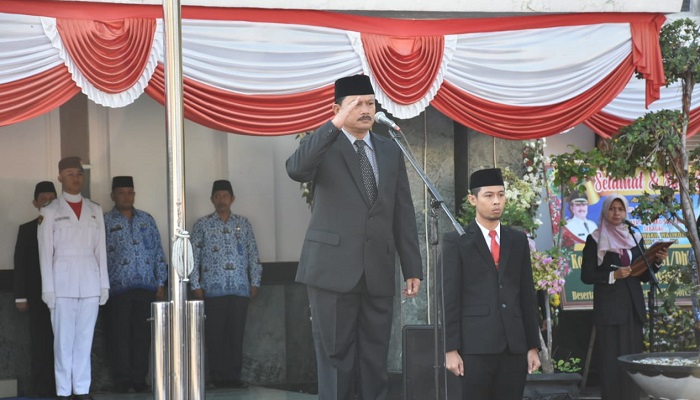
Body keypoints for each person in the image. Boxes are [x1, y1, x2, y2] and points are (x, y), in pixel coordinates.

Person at [286, 74, 423, 400]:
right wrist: (334, 124)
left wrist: (412, 266)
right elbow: (296, 169)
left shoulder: (390, 150)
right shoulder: (324, 146)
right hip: (331, 271)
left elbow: (401, 210)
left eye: (370, 103)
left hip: (377, 270)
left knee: (375, 360)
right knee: (335, 360)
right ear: (337, 108)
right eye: (357, 104)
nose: (365, 109)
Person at [443, 168, 541, 400]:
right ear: (473, 199)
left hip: (514, 346)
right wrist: (450, 349)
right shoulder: (457, 241)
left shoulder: (517, 240)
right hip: (475, 347)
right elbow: (449, 297)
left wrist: (532, 345)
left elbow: (527, 294)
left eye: (501, 194)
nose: (496, 201)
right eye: (489, 195)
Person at [580, 194, 667, 400]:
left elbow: (644, 276)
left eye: (620, 209)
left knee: (633, 362)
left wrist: (656, 262)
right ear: (605, 211)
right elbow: (586, 275)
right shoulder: (595, 238)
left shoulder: (634, 237)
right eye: (612, 209)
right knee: (611, 362)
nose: (616, 213)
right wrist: (612, 275)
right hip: (609, 310)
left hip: (632, 308)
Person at [38, 156, 110, 400]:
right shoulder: (49, 212)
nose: (75, 178)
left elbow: (101, 249)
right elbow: (46, 253)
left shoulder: (95, 210)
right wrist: (48, 289)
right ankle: (63, 391)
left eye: (78, 173)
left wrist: (103, 284)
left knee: (84, 341)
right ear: (59, 177)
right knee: (63, 343)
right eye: (69, 174)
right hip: (62, 284)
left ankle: (81, 390)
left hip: (89, 282)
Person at [189, 180, 263, 389]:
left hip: (240, 288)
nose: (221, 200)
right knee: (215, 335)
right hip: (212, 290)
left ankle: (233, 377)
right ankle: (216, 377)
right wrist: (195, 283)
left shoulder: (244, 223)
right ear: (212, 199)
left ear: (232, 199)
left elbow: (253, 254)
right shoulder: (202, 225)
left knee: (236, 335)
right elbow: (193, 256)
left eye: (225, 196)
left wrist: (254, 281)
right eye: (218, 196)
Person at [104, 176, 168, 393]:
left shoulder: (146, 220)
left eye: (130, 192)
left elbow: (158, 251)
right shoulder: (104, 221)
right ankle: (122, 380)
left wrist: (161, 282)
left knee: (142, 337)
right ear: (112, 196)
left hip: (146, 288)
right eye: (121, 192)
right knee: (119, 336)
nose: (126, 196)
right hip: (118, 289)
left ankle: (139, 379)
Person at [14, 181, 58, 397]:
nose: (49, 203)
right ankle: (42, 388)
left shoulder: (66, 228)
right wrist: (20, 297)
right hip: (37, 296)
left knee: (63, 343)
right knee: (41, 343)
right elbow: (20, 263)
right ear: (35, 203)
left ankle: (64, 387)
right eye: (44, 199)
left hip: (63, 296)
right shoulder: (27, 229)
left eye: (52, 199)